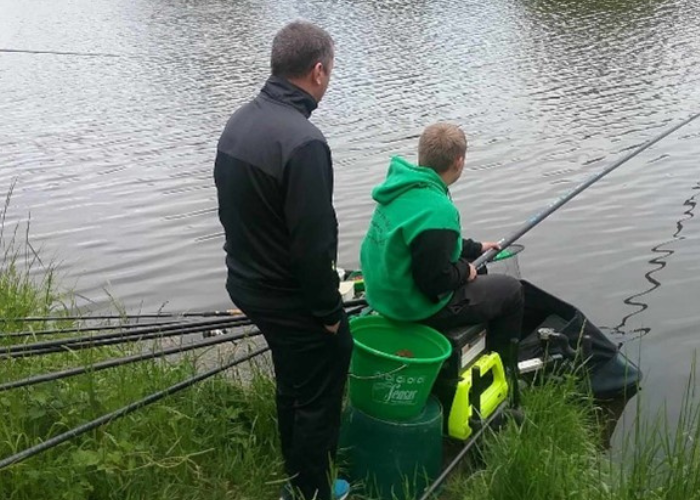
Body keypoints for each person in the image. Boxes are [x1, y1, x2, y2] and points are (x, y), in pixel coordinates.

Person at [213, 21, 351, 500]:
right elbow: (315, 245)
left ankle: (294, 477)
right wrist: (329, 315)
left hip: (246, 284)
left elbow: (231, 210)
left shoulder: (239, 122)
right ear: (317, 71)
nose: (328, 80)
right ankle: (312, 489)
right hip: (287, 295)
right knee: (324, 375)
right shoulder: (305, 142)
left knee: (293, 376)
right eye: (330, 71)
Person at [360, 123, 524, 365]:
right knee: (513, 291)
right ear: (459, 161)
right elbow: (435, 281)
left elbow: (427, 242)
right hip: (408, 307)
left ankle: (474, 347)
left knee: (480, 267)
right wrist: (465, 271)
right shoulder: (439, 209)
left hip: (383, 295)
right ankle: (503, 369)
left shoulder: (400, 189)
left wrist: (477, 248)